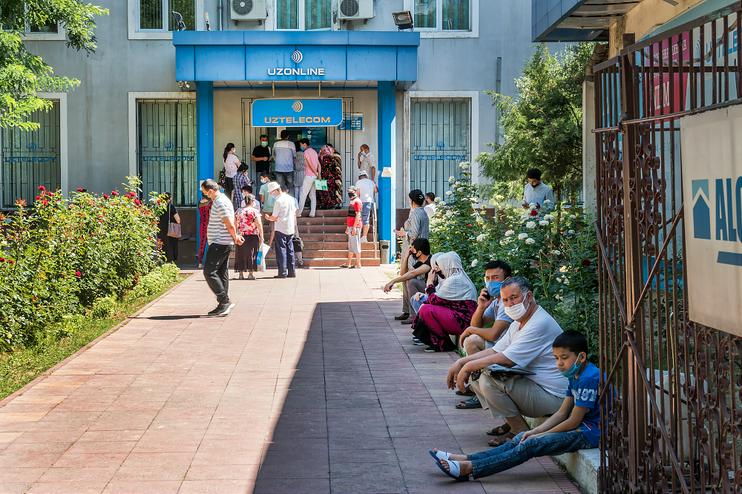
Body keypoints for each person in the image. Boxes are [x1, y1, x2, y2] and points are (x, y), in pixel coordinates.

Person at [431, 330, 600, 481]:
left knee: (531, 444)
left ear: (581, 357)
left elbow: (573, 421)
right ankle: (466, 459)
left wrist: (541, 435)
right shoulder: (575, 374)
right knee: (522, 437)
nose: (559, 364)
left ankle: (470, 468)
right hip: (581, 428)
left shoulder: (588, 378)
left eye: (564, 358)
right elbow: (562, 413)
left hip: (590, 433)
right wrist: (533, 432)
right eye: (556, 358)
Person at [445, 277, 567, 446]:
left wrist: (468, 366)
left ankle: (518, 431)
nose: (510, 304)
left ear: (529, 296)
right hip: (536, 387)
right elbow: (496, 350)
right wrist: (461, 363)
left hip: (555, 397)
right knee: (479, 373)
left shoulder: (539, 323)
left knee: (488, 379)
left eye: (514, 298)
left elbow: (506, 359)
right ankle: (511, 423)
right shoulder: (519, 323)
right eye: (505, 300)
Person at [456, 260, 514, 410]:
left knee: (472, 341)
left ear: (507, 280)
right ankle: (477, 386)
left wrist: (470, 330)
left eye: (495, 278)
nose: (490, 282)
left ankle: (481, 391)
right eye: (487, 278)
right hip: (500, 346)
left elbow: (493, 334)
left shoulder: (508, 302)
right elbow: (477, 325)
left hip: (509, 351)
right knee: (472, 338)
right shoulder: (496, 301)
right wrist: (481, 307)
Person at [411, 252, 478, 353]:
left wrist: (429, 282)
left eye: (440, 266)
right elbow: (435, 298)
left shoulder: (455, 280)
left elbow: (433, 300)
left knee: (426, 309)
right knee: (424, 306)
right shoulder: (454, 278)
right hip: (459, 317)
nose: (438, 269)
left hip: (464, 321)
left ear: (447, 265)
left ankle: (442, 344)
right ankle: (437, 341)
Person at [201, 179, 244, 316]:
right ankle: (223, 304)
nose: (205, 195)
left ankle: (224, 301)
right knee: (221, 272)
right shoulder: (223, 200)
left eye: (205, 192)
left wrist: (235, 236)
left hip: (220, 242)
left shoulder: (220, 202)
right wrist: (235, 236)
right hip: (222, 242)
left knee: (209, 272)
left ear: (211, 191)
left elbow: (228, 222)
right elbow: (232, 220)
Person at [394, 189, 430, 321]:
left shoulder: (415, 213)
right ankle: (407, 310)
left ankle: (412, 313)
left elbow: (413, 234)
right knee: (407, 278)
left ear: (412, 201)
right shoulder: (423, 212)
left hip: (414, 252)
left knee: (410, 279)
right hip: (418, 250)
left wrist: (403, 233)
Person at [383, 238, 432, 319]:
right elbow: (404, 274)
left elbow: (412, 273)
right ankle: (412, 314)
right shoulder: (420, 262)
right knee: (407, 279)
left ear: (419, 252)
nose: (411, 251)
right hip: (428, 288)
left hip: (435, 291)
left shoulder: (430, 262)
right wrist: (406, 257)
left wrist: (392, 281)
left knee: (412, 281)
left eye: (413, 249)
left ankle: (414, 317)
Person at [264, 181, 297, 278]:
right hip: (290, 227)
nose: (271, 194)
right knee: (290, 250)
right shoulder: (291, 198)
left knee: (281, 251)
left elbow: (274, 217)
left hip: (280, 228)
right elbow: (294, 213)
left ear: (275, 191)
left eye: (271, 192)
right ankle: (292, 272)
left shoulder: (278, 201)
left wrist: (268, 217)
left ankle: (282, 272)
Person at [234, 193, 263, 281]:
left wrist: (236, 234)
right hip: (252, 235)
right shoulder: (254, 211)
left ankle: (241, 274)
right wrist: (261, 236)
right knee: (251, 253)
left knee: (240, 254)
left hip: (241, 235)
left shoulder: (239, 211)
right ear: (253, 201)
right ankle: (250, 273)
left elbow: (235, 223)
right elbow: (259, 224)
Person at [297, 138, 321, 218]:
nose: (301, 146)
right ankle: (312, 213)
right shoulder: (314, 152)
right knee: (312, 195)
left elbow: (309, 164)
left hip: (309, 176)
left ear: (304, 144)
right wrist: (318, 174)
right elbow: (319, 164)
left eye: (301, 145)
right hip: (315, 176)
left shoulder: (306, 152)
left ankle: (298, 213)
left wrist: (315, 173)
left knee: (303, 194)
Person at [341, 186, 363, 269]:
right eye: (349, 192)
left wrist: (354, 227)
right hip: (351, 226)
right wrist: (348, 227)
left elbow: (358, 215)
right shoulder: (352, 201)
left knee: (356, 245)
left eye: (351, 192)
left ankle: (358, 264)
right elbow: (350, 215)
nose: (349, 194)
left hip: (355, 226)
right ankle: (348, 263)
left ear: (356, 192)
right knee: (351, 246)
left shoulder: (357, 201)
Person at [318, 144, 343, 209]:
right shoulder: (323, 156)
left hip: (328, 177)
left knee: (328, 191)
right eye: (325, 149)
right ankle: (325, 204)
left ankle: (330, 204)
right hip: (324, 176)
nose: (325, 150)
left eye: (327, 149)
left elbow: (336, 167)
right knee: (324, 191)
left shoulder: (334, 156)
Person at [158, 193, 180, 263]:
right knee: (170, 245)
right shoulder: (171, 207)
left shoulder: (158, 207)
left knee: (162, 246)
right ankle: (170, 262)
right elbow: (178, 220)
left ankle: (162, 261)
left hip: (160, 229)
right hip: (170, 230)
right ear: (170, 199)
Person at [273, 130, 296, 196]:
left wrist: (277, 160)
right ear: (288, 136)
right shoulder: (291, 144)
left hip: (278, 168)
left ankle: (281, 199)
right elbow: (294, 156)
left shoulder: (276, 144)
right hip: (289, 168)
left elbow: (273, 155)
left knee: (280, 186)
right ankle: (291, 199)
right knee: (290, 186)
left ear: (280, 136)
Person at [196, 193, 211, 268]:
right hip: (209, 225)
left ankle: (200, 262)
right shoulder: (210, 202)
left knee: (202, 244)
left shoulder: (200, 202)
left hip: (202, 224)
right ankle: (211, 262)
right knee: (211, 243)